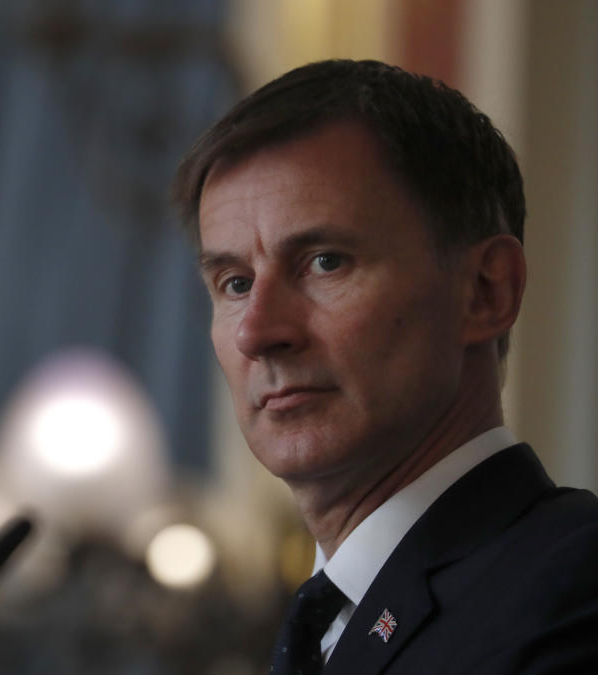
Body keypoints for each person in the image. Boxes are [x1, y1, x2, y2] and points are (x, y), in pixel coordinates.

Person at [171, 59, 598, 674]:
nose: (259, 332)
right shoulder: (321, 626)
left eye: (325, 263)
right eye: (235, 282)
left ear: (485, 291)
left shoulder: (575, 590)